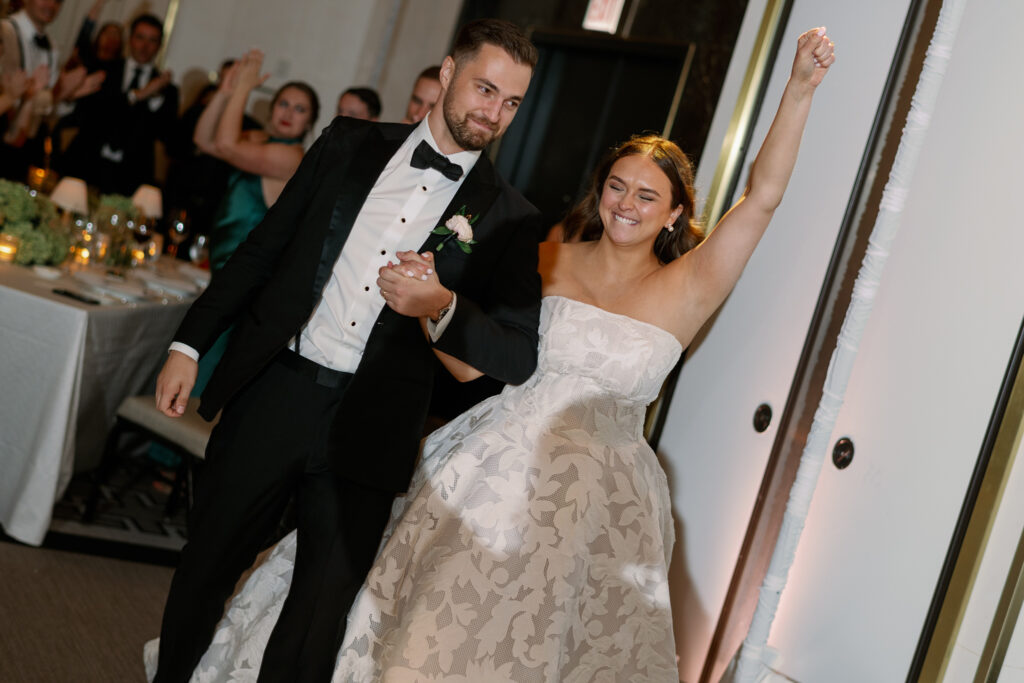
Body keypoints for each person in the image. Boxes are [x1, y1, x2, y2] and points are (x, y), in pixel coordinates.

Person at [151, 26, 836, 682]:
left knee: (504, 643)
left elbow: (763, 197)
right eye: (617, 186)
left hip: (588, 500)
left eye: (647, 194)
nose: (626, 203)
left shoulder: (680, 283)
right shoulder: (546, 253)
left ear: (675, 213)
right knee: (346, 603)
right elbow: (477, 352)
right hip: (472, 455)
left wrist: (799, 90)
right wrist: (432, 308)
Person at [149, 18, 542, 683]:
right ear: (446, 73)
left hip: (371, 425)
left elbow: (516, 355)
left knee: (316, 622)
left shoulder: (509, 216)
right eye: (484, 89)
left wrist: (441, 306)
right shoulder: (348, 143)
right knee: (205, 567)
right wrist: (189, 342)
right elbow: (261, 252)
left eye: (510, 103)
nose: (493, 113)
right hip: (279, 388)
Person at [188, 49, 319, 393]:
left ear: (309, 124)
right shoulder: (261, 142)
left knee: (201, 368)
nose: (289, 113)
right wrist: (226, 92)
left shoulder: (290, 157)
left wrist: (245, 87)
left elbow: (227, 146)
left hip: (243, 283)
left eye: (299, 109)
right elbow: (204, 140)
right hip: (222, 270)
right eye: (283, 104)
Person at [56, 13, 178, 194]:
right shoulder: (103, 69)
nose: (145, 46)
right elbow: (94, 114)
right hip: (85, 161)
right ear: (130, 40)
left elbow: (167, 137)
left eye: (152, 41)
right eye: (140, 38)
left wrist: (155, 99)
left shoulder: (167, 90)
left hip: (130, 175)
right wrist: (139, 95)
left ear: (159, 46)